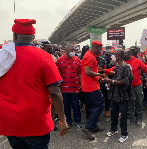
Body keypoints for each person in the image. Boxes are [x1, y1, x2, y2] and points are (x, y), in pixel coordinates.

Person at [0, 19, 68, 149]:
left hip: (9, 121)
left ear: (14, 36)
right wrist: (62, 120)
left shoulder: (3, 57)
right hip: (35, 122)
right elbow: (54, 92)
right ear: (33, 37)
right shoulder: (44, 57)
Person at [123, 49, 147, 127]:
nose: (124, 55)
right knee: (128, 102)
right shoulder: (123, 61)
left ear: (130, 54)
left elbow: (146, 69)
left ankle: (139, 118)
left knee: (139, 102)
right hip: (127, 86)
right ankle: (128, 117)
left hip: (137, 85)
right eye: (123, 53)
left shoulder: (137, 61)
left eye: (126, 53)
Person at [101, 48, 134, 143]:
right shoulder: (116, 66)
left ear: (119, 56)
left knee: (123, 116)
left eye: (115, 54)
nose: (113, 56)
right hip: (114, 94)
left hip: (123, 95)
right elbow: (115, 77)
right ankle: (113, 129)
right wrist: (108, 81)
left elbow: (125, 82)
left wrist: (111, 81)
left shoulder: (126, 67)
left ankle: (124, 134)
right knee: (114, 113)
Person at [81, 41, 105, 140]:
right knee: (100, 105)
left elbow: (90, 69)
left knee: (92, 106)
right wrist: (100, 75)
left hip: (88, 85)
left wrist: (99, 71)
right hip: (91, 86)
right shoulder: (90, 56)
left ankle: (93, 125)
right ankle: (89, 126)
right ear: (95, 47)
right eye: (99, 49)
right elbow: (87, 72)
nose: (100, 51)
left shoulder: (88, 55)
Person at [56, 44, 83, 129]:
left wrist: (81, 84)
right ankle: (68, 121)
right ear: (66, 50)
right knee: (66, 105)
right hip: (64, 88)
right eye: (71, 50)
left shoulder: (77, 60)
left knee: (76, 105)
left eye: (74, 50)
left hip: (75, 87)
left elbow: (80, 73)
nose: (73, 51)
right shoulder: (60, 60)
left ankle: (77, 121)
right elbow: (58, 73)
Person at [101, 50, 116, 117]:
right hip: (101, 81)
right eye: (106, 55)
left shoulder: (112, 63)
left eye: (109, 55)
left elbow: (114, 74)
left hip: (109, 81)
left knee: (107, 96)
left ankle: (106, 110)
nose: (107, 56)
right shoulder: (101, 62)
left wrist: (110, 81)